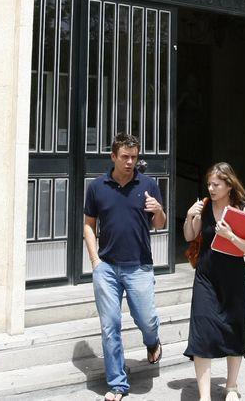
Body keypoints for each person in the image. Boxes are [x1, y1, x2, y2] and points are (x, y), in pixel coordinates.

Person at [83, 133, 167, 401]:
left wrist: (158, 210)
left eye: (134, 157)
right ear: (113, 157)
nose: (130, 162)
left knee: (147, 320)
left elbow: (160, 224)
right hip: (106, 267)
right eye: (125, 157)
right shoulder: (97, 187)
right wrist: (95, 261)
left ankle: (152, 341)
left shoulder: (148, 184)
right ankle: (118, 384)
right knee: (110, 326)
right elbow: (89, 224)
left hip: (139, 266)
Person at [183, 163, 245, 401]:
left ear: (229, 185)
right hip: (206, 278)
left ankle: (231, 387)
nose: (211, 188)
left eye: (216, 184)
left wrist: (231, 236)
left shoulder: (241, 209)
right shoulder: (205, 206)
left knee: (234, 330)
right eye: (209, 184)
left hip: (234, 280)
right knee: (201, 332)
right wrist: (189, 216)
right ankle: (204, 396)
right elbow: (189, 235)